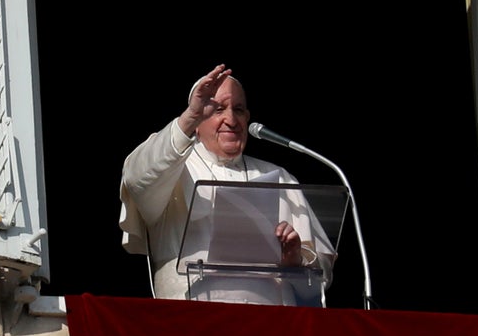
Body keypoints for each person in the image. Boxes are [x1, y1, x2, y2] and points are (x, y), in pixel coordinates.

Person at [119, 64, 336, 306]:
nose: (231, 119)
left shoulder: (280, 177)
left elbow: (318, 284)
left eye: (239, 109)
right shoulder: (172, 166)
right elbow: (136, 179)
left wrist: (294, 260)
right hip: (192, 321)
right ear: (197, 118)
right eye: (218, 109)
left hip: (272, 327)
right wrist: (188, 117)